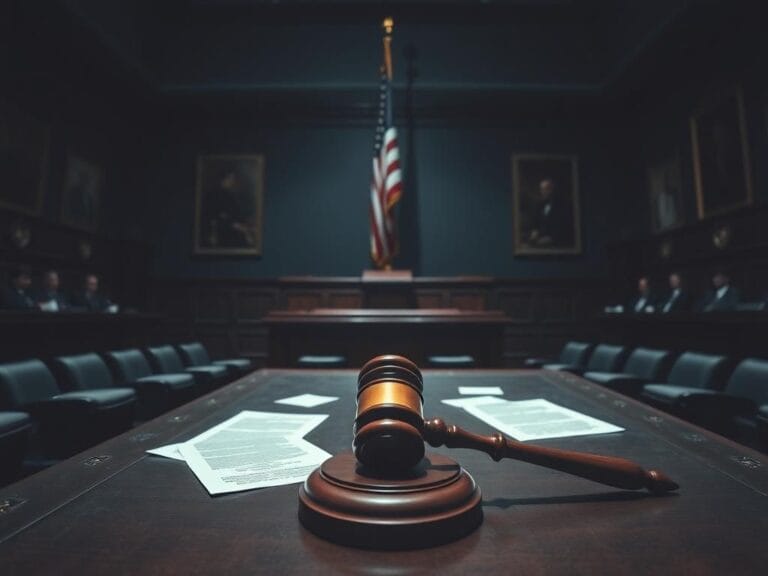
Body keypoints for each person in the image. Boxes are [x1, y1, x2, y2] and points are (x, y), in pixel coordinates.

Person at [527, 178, 570, 247]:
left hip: (557, 241)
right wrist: (534, 232)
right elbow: (535, 222)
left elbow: (562, 227)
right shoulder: (540, 205)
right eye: (541, 189)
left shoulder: (562, 205)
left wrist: (551, 238)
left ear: (552, 190)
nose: (543, 192)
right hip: (540, 238)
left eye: (546, 189)